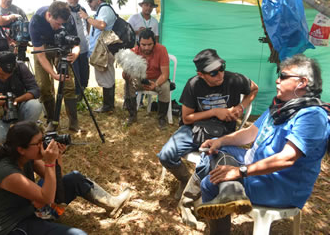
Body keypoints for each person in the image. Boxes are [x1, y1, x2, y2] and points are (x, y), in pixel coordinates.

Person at [194, 55, 330, 234]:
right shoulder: (282, 107)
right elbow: (250, 134)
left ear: (302, 82)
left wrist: (239, 171)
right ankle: (228, 190)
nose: (277, 80)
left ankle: (220, 195)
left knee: (209, 182)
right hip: (255, 165)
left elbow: (287, 159)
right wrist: (221, 140)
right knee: (214, 151)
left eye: (283, 76)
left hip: (278, 186)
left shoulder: (311, 116)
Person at [157, 48, 258, 227]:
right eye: (213, 72)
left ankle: (194, 196)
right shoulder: (193, 84)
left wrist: (241, 107)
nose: (219, 74)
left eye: (221, 68)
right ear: (201, 74)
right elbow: (187, 117)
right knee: (166, 155)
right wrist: (214, 112)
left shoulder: (233, 78)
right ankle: (184, 179)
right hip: (194, 129)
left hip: (222, 133)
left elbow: (254, 88)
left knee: (213, 161)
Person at [0, 121, 131, 235]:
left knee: (74, 178)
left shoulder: (27, 157)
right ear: (21, 149)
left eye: (44, 140)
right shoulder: (6, 173)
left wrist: (56, 158)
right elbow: (46, 197)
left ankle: (112, 203)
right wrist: (49, 163)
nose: (43, 146)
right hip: (14, 226)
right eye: (38, 143)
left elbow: (55, 181)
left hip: (31, 208)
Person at [29, 1, 80, 132]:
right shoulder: (36, 21)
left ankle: (73, 122)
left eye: (62, 24)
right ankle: (52, 120)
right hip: (43, 48)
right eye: (57, 24)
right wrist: (53, 74)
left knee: (68, 85)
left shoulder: (68, 19)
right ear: (49, 15)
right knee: (43, 85)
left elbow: (76, 43)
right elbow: (40, 55)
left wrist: (74, 54)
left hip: (62, 48)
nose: (60, 27)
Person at [0, 51, 42, 144]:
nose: (6, 77)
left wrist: (17, 100)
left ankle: (26, 134)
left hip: (19, 107)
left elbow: (35, 90)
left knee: (35, 105)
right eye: (2, 75)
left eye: (9, 75)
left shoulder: (20, 67)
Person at [79, 0, 117, 113]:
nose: (89, 4)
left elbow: (101, 25)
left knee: (106, 76)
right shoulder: (102, 10)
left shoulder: (104, 9)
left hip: (104, 50)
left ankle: (108, 106)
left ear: (98, 0)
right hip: (102, 50)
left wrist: (86, 17)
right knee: (106, 75)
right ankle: (108, 104)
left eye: (90, 1)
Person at [122, 29, 170, 128]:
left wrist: (156, 84)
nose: (146, 47)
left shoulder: (161, 50)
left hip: (157, 79)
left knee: (165, 87)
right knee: (127, 84)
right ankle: (132, 116)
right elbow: (124, 75)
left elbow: (165, 74)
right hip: (140, 80)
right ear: (139, 43)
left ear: (154, 43)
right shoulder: (133, 52)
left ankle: (162, 118)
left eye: (149, 44)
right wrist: (127, 74)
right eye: (143, 45)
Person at [65, 0, 90, 101]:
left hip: (84, 47)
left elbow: (88, 24)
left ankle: (83, 94)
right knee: (75, 74)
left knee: (85, 72)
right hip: (71, 48)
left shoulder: (82, 10)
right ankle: (76, 96)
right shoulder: (64, 11)